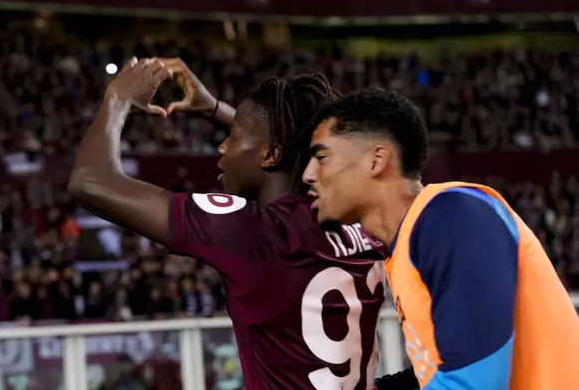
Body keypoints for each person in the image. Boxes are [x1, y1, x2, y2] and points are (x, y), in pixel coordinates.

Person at [69, 57, 400, 389]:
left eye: (235, 136)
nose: (222, 146)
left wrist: (117, 98)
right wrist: (214, 108)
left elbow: (90, 182)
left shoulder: (255, 230)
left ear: (271, 155)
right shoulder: (360, 224)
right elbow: (280, 149)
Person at [302, 87, 579, 390]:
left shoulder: (452, 216)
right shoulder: (413, 241)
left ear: (376, 160)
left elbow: (472, 382)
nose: (308, 174)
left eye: (322, 157)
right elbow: (439, 371)